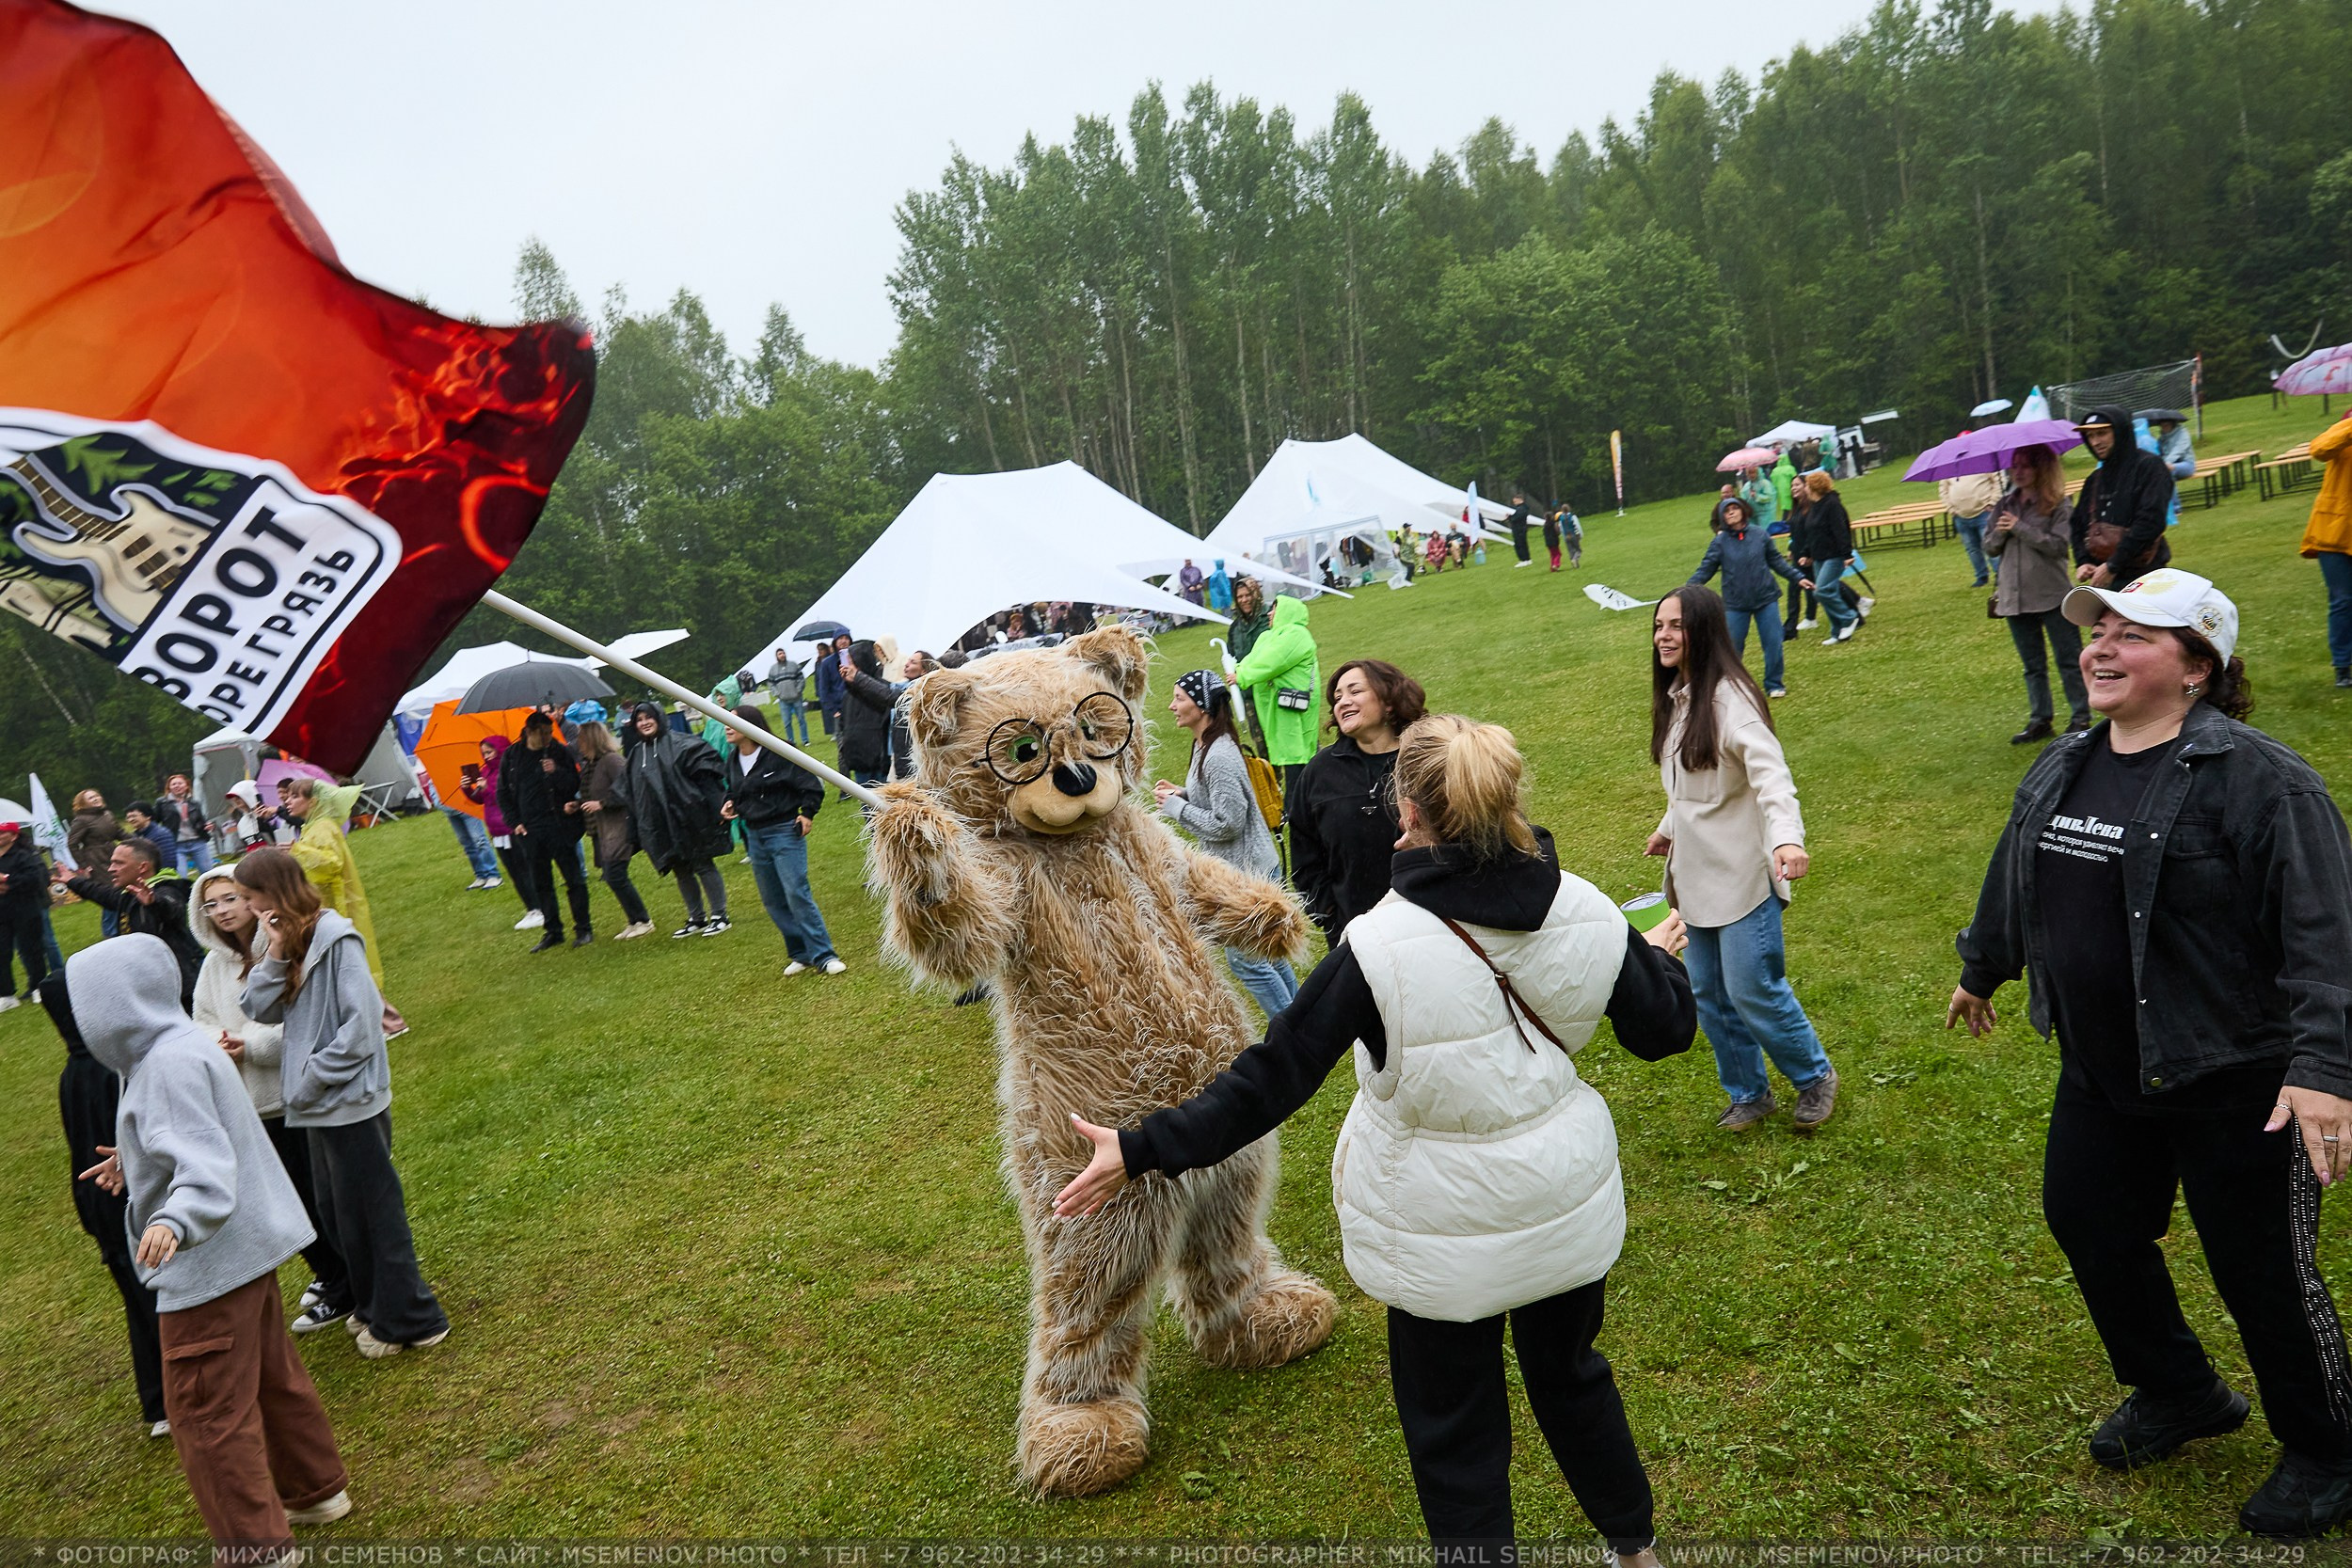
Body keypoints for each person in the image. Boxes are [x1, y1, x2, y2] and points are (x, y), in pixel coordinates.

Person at [1055, 714, 1694, 1557]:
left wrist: (1138, 1148)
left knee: (1456, 1430)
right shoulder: (1587, 910)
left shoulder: (1380, 947)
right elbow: (1665, 1029)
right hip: (1561, 1204)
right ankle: (1638, 1551)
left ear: (1410, 814)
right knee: (1574, 1378)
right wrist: (1653, 959)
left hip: (1439, 1227)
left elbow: (1272, 1078)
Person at [1948, 569, 2352, 1539]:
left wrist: (2323, 1069)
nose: (2099, 646)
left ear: (2198, 667)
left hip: (2237, 1077)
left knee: (2261, 1268)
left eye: (2134, 634)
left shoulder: (2264, 781)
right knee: (2088, 1219)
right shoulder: (2067, 762)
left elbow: (2324, 932)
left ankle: (2328, 1444)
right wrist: (1983, 964)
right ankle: (2179, 1388)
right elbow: (2020, 869)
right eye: (2099, 630)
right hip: (2102, 1065)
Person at [70, 933, 354, 1543]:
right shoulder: (179, 1046)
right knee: (272, 1377)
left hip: (208, 1268)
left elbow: (204, 1170)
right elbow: (203, 1129)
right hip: (247, 1253)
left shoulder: (162, 1066)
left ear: (111, 1007)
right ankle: (316, 1490)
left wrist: (173, 1219)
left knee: (205, 1411)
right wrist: (137, 1154)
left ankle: (257, 1546)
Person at [235, 847, 449, 1362]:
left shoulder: (336, 938)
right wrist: (279, 950)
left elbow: (361, 1030)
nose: (242, 907)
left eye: (247, 897)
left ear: (273, 891)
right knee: (339, 1214)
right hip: (319, 1106)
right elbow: (256, 1007)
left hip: (348, 1101)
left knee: (374, 1213)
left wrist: (308, 1082)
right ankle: (378, 1305)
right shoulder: (284, 937)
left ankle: (415, 1319)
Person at [1646, 584, 1839, 1132]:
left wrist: (1786, 839)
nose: (1664, 635)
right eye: (1660, 625)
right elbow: (1694, 786)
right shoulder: (1680, 699)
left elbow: (1771, 779)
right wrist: (1668, 829)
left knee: (1753, 988)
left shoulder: (1732, 701)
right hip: (1699, 875)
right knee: (1709, 993)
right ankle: (1749, 1093)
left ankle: (1814, 1076)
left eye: (1677, 625)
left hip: (1745, 875)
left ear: (1702, 631)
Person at [188, 866, 353, 1335]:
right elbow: (199, 1017)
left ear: (252, 899)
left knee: (317, 1197)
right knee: (280, 1201)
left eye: (230, 899)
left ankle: (345, 1281)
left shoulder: (284, 948)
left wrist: (251, 1046)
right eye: (211, 905)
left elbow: (307, 1021)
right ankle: (329, 1272)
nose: (221, 911)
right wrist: (216, 1040)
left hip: (293, 1096)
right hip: (248, 1102)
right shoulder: (214, 964)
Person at [41, 965, 169, 1438]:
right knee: (156, 1298)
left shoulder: (73, 1073)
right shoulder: (109, 1072)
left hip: (96, 1206)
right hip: (125, 1201)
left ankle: (158, 1403)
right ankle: (177, 1395)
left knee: (138, 1302)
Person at [1155, 669, 1296, 1017]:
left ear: (1202, 706)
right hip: (1248, 869)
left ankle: (1294, 1035)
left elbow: (1228, 823)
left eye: (1179, 699)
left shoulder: (1218, 756)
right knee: (1267, 954)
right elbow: (1222, 802)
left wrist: (1178, 808)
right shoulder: (1205, 744)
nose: (1172, 706)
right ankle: (1303, 1018)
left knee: (1247, 961)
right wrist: (1185, 794)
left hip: (1249, 876)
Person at [1291, 659, 1424, 943]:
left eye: (1355, 692)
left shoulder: (1424, 759)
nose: (1343, 702)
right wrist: (1327, 911)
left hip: (1429, 923)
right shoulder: (1320, 771)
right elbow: (1304, 853)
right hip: (1353, 933)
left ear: (1389, 701)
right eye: (1338, 697)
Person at [720, 704, 843, 976]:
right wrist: (729, 802)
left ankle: (824, 955)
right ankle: (800, 954)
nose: (726, 726)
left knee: (796, 892)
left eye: (732, 721)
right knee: (773, 899)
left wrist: (807, 813)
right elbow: (733, 789)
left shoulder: (779, 750)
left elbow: (810, 782)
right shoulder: (732, 759)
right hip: (754, 835)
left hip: (784, 831)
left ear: (751, 725)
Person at [280, 780, 406, 1037]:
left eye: (294, 796)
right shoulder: (312, 827)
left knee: (355, 963)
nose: (287, 802)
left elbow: (331, 864)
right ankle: (367, 1023)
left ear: (312, 801)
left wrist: (297, 850)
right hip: (328, 905)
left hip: (341, 905)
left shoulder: (323, 828)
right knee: (344, 965)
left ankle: (389, 1022)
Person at [1987, 443, 2092, 743]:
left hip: (2052, 595)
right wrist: (2001, 530)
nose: (2017, 471)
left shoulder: (2060, 504)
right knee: (2032, 666)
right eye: (2014, 465)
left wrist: (2020, 528)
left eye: (2025, 465)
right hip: (2014, 598)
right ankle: (2040, 719)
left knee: (2069, 659)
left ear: (2041, 469)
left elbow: (2059, 547)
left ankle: (2080, 717)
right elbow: (1989, 547)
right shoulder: (2003, 505)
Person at [618, 702, 733, 937]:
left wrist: (716, 808)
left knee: (702, 863)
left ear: (658, 718)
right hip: (661, 823)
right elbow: (632, 793)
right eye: (639, 720)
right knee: (680, 868)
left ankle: (720, 915)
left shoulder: (682, 743)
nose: (645, 723)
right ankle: (696, 917)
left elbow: (707, 778)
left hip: (690, 816)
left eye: (648, 718)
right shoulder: (637, 754)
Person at [1685, 497, 1812, 700]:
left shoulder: (1760, 535)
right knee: (1733, 648)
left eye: (1735, 509)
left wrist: (1798, 578)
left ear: (1744, 511)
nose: (1732, 513)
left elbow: (1777, 562)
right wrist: (1687, 589)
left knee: (1773, 643)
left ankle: (1774, 684)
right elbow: (1705, 569)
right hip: (1736, 604)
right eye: (1727, 511)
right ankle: (1733, 686)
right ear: (1722, 518)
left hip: (1766, 599)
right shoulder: (1720, 542)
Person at [59, 838, 204, 1007]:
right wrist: (72, 880)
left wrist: (153, 903)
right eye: (112, 862)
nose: (111, 869)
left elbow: (172, 906)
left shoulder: (167, 889)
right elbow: (99, 892)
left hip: (180, 985)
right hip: (149, 983)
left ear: (142, 867)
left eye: (118, 863)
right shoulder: (128, 895)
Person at [495, 710, 594, 951]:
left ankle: (583, 928)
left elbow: (574, 784)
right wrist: (513, 821)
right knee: (541, 882)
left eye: (550, 732)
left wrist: (556, 771)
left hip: (559, 826)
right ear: (529, 732)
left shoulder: (559, 751)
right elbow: (503, 793)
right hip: (529, 831)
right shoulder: (512, 756)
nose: (549, 737)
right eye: (543, 733)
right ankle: (553, 930)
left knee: (574, 879)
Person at [2071, 404, 2175, 589]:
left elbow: (2150, 522)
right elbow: (2078, 524)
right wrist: (2083, 561)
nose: (2095, 442)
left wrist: (2113, 565)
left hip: (2146, 577)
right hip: (2103, 579)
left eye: (2102, 433)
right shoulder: (2095, 479)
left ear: (2119, 432)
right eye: (2090, 436)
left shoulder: (2149, 467)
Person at [1233, 594, 1322, 804]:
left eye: (1274, 609)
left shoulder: (1297, 634)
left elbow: (1273, 661)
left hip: (1292, 706)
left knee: (1295, 753)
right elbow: (1253, 659)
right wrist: (1240, 669)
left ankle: (1296, 805)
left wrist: (1241, 675)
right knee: (1287, 750)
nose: (1269, 613)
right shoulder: (1271, 636)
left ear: (1286, 612)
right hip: (1280, 706)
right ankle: (1296, 803)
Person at [573, 721, 656, 940]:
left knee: (615, 874)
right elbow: (591, 792)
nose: (577, 743)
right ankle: (634, 920)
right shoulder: (591, 764)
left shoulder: (612, 761)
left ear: (591, 740)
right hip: (604, 828)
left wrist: (602, 804)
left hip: (620, 825)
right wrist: (577, 803)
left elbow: (629, 788)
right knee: (612, 876)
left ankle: (644, 920)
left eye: (581, 738)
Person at [2296, 408, 2352, 688]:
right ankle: (2343, 666)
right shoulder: (2343, 432)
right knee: (2343, 600)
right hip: (2335, 534)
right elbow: (2318, 449)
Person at [464, 738, 542, 931]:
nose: (486, 756)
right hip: (496, 830)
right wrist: (468, 788)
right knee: (513, 872)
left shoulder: (509, 771)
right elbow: (481, 800)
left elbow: (508, 796)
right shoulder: (485, 771)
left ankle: (539, 908)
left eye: (489, 752)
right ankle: (531, 909)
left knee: (524, 870)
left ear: (500, 751)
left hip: (512, 827)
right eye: (483, 753)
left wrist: (487, 788)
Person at [1794, 471, 1863, 645]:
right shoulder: (1814, 505)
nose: (1805, 488)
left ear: (1815, 487)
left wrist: (1847, 554)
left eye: (1807, 485)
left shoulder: (1832, 505)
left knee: (1822, 590)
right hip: (1818, 557)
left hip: (1835, 556)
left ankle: (1849, 617)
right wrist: (1806, 554)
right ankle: (1838, 632)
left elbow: (1842, 530)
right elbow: (1812, 534)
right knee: (1826, 593)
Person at [0, 820, 51, 1005]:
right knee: (2, 952)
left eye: (3, 832)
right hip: (2, 911)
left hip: (26, 909)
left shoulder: (24, 855)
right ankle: (6, 994)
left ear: (13, 836)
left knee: (31, 949)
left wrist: (7, 881)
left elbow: (35, 879)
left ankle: (38, 986)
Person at [835, 641, 895, 795]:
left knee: (886, 807)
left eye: (851, 663)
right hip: (859, 761)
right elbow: (844, 726)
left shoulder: (883, 689)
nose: (847, 668)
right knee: (868, 810)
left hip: (881, 762)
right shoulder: (847, 695)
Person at [1940, 466, 2005, 590]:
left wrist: (1992, 502)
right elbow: (1943, 490)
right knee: (1971, 548)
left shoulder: (1983, 462)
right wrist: (1951, 509)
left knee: (1990, 545)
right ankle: (1981, 576)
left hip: (1984, 514)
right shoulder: (1949, 467)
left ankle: (2000, 574)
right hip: (1961, 516)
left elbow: (1998, 481)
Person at [1779, 478, 1820, 630]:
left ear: (1806, 486)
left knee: (1816, 586)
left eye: (1797, 485)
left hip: (1807, 555)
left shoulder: (1811, 507)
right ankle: (1803, 620)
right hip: (1798, 554)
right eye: (1792, 486)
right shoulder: (1796, 507)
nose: (1793, 488)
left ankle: (1855, 602)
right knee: (1801, 587)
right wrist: (1791, 547)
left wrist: (1809, 554)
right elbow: (1794, 532)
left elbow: (1812, 532)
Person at [152, 775, 215, 875]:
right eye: (174, 784)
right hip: (175, 845)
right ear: (169, 788)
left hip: (198, 842)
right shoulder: (162, 803)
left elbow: (202, 821)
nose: (177, 786)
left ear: (186, 786)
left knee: (208, 874)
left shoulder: (194, 803)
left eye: (180, 783)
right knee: (181, 876)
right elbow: (154, 822)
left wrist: (208, 826)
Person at [438, 792, 501, 890]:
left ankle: (493, 875)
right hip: (451, 813)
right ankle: (481, 875)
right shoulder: (433, 779)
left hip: (467, 808)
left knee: (479, 841)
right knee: (466, 844)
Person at [767, 645, 811, 745]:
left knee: (801, 719)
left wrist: (798, 691)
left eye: (783, 653)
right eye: (780, 654)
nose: (782, 655)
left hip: (797, 698)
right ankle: (791, 741)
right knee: (787, 722)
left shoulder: (794, 665)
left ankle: (805, 740)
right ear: (777, 656)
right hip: (783, 700)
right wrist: (777, 694)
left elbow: (801, 679)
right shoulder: (773, 669)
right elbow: (770, 684)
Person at [815, 630, 852, 741]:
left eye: (846, 638)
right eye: (840, 638)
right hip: (839, 707)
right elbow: (824, 688)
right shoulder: (827, 663)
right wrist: (833, 710)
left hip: (857, 706)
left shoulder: (855, 657)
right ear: (835, 641)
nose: (844, 641)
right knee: (843, 742)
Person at [122, 800, 178, 864]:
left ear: (148, 816)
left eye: (134, 816)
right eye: (128, 817)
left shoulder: (162, 835)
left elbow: (168, 861)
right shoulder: (135, 836)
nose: (131, 820)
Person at [1507, 491, 1535, 567]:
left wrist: (1509, 518)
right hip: (1521, 528)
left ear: (1520, 500)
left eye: (1515, 501)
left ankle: (1523, 559)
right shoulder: (1522, 508)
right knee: (1523, 544)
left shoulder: (1521, 509)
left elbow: (1516, 518)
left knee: (1519, 544)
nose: (1515, 503)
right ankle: (1527, 559)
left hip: (1519, 529)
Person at [1558, 504, 1584, 568]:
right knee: (1578, 550)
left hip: (1566, 536)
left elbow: (1560, 528)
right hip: (1573, 534)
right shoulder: (1572, 516)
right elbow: (1576, 526)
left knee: (1571, 551)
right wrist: (1578, 534)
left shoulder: (1561, 518)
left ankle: (1575, 564)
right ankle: (1575, 559)